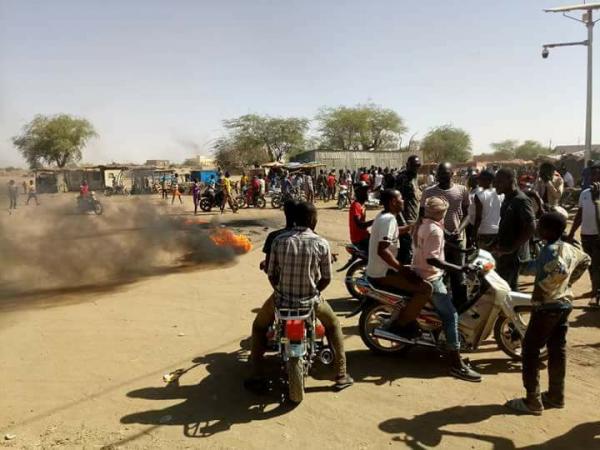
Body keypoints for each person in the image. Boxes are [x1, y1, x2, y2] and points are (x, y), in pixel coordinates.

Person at [246, 201, 353, 391]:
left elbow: (271, 274)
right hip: (310, 301)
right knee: (333, 325)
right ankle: (341, 374)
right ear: (313, 220)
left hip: (281, 300)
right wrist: (314, 292)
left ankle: (256, 375)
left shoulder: (279, 240)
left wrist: (279, 291)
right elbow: (326, 278)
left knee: (259, 327)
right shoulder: (321, 243)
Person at [506, 212, 590, 415]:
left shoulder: (548, 250)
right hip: (564, 305)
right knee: (557, 349)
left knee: (530, 350)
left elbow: (549, 269)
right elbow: (585, 260)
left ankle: (532, 400)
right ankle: (555, 395)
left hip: (547, 307)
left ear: (549, 230)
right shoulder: (569, 247)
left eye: (541, 226)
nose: (537, 228)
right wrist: (568, 283)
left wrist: (545, 291)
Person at [412, 197, 482, 382]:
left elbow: (441, 244)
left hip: (421, 272)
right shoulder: (433, 229)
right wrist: (460, 268)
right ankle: (456, 364)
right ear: (440, 212)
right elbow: (432, 259)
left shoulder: (425, 224)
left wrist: (462, 253)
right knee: (452, 316)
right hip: (431, 277)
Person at [367, 189, 432, 337]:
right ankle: (401, 325)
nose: (403, 201)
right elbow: (382, 250)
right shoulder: (388, 219)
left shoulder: (383, 216)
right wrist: (403, 270)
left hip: (381, 269)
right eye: (401, 198)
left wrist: (413, 227)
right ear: (393, 202)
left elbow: (395, 232)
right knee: (426, 288)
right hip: (383, 273)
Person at [420, 163, 470, 309]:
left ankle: (460, 308)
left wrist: (459, 229)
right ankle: (437, 309)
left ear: (452, 174)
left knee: (459, 278)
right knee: (435, 275)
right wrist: (442, 232)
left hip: (457, 241)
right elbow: (422, 216)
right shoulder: (428, 192)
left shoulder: (462, 190)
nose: (442, 176)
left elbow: (467, 214)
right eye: (439, 173)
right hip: (436, 241)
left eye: (445, 173)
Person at [493, 168, 536, 290]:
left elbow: (531, 227)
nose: (495, 184)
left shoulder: (521, 200)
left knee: (507, 290)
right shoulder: (508, 198)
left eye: (498, 181)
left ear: (510, 180)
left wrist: (511, 249)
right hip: (505, 253)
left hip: (514, 256)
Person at [567, 161, 600, 307]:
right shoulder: (585, 194)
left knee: (598, 265)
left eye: (598, 173)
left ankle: (596, 294)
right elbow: (579, 215)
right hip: (586, 235)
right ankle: (595, 289)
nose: (595, 176)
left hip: (598, 236)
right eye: (593, 173)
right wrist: (572, 232)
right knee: (591, 265)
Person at [472, 170, 502, 251]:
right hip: (499, 231)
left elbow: (478, 217)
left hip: (484, 232)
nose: (478, 181)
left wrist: (474, 234)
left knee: (485, 259)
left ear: (488, 180)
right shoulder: (501, 194)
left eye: (480, 179)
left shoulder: (479, 195)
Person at [349, 182, 373, 253]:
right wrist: (374, 221)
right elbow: (359, 224)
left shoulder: (362, 204)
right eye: (364, 191)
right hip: (359, 239)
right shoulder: (356, 205)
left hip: (364, 236)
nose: (367, 193)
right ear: (359, 192)